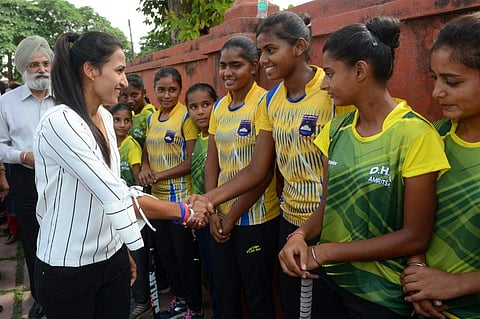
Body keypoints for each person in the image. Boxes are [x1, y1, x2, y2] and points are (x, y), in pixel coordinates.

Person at [276, 16, 451, 318]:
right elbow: (326, 207)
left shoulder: (416, 135)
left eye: (330, 73)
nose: (324, 84)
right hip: (330, 282)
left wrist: (326, 251)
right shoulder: (336, 129)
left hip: (381, 296)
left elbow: (415, 236)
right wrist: (301, 236)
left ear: (360, 71)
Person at [32, 31, 210, 319]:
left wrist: (119, 247)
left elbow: (113, 190)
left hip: (110, 257)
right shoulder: (60, 122)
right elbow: (115, 194)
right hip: (68, 267)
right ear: (90, 70)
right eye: (119, 70)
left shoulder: (103, 116)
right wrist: (184, 211)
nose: (125, 81)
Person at [187, 11, 353, 318]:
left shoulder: (331, 91)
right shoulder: (271, 101)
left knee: (325, 308)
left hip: (328, 223)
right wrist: (209, 202)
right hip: (290, 221)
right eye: (261, 52)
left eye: (270, 50)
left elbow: (342, 165)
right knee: (291, 306)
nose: (263, 59)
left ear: (300, 47)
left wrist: (210, 202)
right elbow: (257, 169)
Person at [401, 12, 480, 319]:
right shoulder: (433, 139)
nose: (437, 93)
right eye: (435, 79)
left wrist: (457, 284)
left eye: (452, 81)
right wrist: (419, 273)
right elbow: (415, 223)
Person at [205, 35, 281, 319]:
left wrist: (232, 216)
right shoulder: (218, 107)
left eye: (236, 65)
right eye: (223, 65)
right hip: (219, 217)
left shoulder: (266, 102)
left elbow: (262, 174)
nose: (227, 72)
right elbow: (212, 163)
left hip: (256, 218)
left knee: (258, 294)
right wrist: (212, 212)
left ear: (253, 66)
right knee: (225, 292)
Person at [139, 66, 203, 319]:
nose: (166, 95)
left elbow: (190, 162)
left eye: (172, 90)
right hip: (156, 201)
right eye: (161, 90)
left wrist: (159, 175)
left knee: (184, 256)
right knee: (166, 255)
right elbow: (146, 148)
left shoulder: (185, 118)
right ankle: (179, 300)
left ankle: (195, 308)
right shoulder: (152, 118)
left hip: (180, 201)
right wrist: (145, 167)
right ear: (153, 91)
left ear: (180, 90)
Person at [0, 35, 55, 319]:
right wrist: (23, 156)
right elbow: (1, 145)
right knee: (34, 240)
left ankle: (64, 293)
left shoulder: (64, 97)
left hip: (62, 178)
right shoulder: (7, 102)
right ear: (23, 68)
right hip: (26, 179)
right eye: (34, 64)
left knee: (62, 237)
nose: (41, 69)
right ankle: (41, 298)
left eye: (46, 63)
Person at [185, 82, 222, 319]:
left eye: (206, 105)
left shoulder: (218, 138)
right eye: (194, 107)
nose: (200, 111)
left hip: (218, 215)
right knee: (208, 270)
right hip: (199, 216)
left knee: (220, 276)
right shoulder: (197, 138)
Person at [119, 73, 156, 148]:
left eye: (134, 95)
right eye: (124, 96)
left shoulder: (150, 115)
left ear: (144, 93)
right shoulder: (131, 114)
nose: (129, 101)